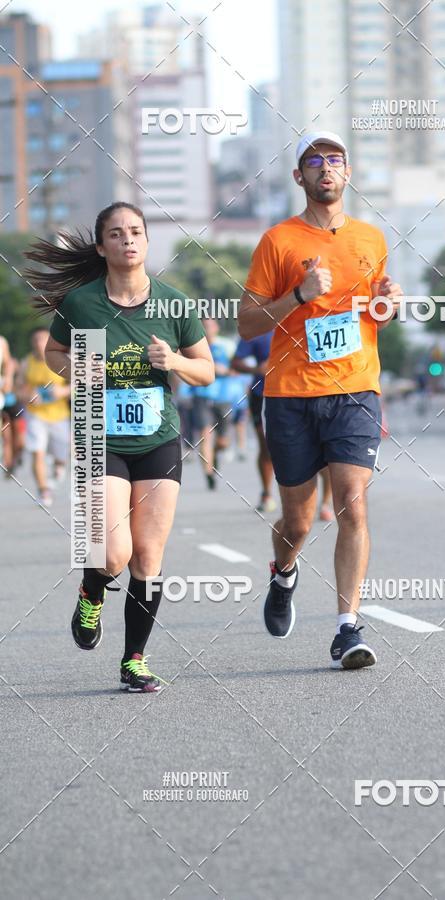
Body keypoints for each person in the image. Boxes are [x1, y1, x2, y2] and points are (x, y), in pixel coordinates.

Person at [26, 201, 214, 692]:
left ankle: (134, 660)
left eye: (135, 232)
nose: (127, 240)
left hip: (157, 438)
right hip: (97, 433)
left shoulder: (174, 304)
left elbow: (207, 370)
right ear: (101, 246)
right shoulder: (82, 303)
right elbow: (54, 351)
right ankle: (92, 590)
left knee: (147, 556)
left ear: (147, 241)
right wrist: (75, 370)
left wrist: (173, 360)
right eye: (116, 233)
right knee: (112, 553)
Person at [237, 131, 403, 669]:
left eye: (335, 161)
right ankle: (284, 573)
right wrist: (298, 296)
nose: (326, 169)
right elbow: (245, 324)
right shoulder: (277, 241)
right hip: (290, 394)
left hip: (355, 388)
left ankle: (346, 627)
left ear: (348, 173)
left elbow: (373, 315)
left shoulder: (371, 239)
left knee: (352, 502)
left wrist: (388, 307)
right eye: (315, 163)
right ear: (299, 177)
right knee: (298, 522)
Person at [15, 327, 70, 506]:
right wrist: (28, 396)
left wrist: (62, 391)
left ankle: (59, 464)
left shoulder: (63, 360)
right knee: (36, 452)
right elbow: (17, 389)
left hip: (59, 415)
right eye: (36, 339)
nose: (40, 343)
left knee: (63, 453)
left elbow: (81, 382)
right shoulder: (26, 363)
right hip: (35, 415)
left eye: (43, 339)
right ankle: (43, 491)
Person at [231, 330, 277, 512]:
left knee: (316, 445)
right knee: (266, 446)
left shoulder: (302, 319)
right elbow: (235, 362)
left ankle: (326, 503)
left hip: (300, 391)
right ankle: (267, 493)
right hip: (262, 393)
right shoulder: (260, 326)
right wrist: (257, 370)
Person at [189, 319, 233, 490]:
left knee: (223, 441)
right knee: (205, 435)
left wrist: (226, 370)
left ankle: (214, 457)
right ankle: (208, 475)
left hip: (222, 397)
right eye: (204, 327)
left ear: (216, 328)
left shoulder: (225, 348)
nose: (207, 330)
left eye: (210, 326)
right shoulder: (194, 349)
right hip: (201, 395)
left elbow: (235, 368)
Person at [0, 334, 23, 477]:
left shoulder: (2, 341)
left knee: (15, 429)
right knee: (5, 432)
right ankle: (8, 463)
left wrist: (8, 378)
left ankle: (13, 459)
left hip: (6, 393)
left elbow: (8, 362)